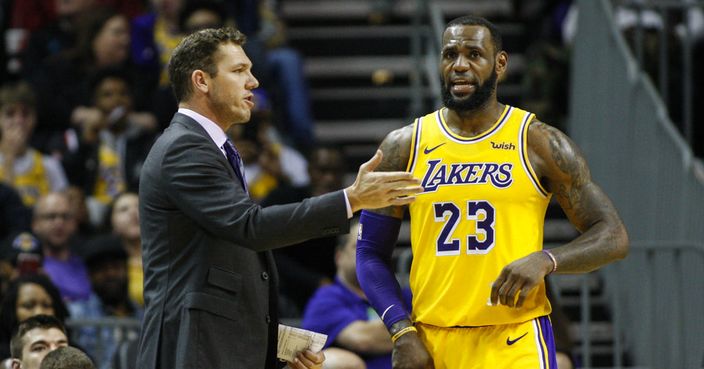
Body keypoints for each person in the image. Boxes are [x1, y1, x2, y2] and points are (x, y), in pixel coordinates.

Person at [136, 27, 421, 369]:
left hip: (212, 343)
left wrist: (269, 343)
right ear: (201, 81)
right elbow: (251, 227)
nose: (253, 82)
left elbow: (220, 267)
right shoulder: (184, 148)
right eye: (239, 70)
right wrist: (351, 199)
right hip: (189, 348)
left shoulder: (209, 148)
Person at [355, 15, 629, 369]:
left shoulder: (538, 142)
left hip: (515, 338)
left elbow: (613, 235)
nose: (459, 66)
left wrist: (546, 260)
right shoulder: (404, 146)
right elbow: (369, 253)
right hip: (432, 339)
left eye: (473, 55)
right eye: (450, 55)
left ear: (500, 64)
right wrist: (401, 332)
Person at [302, 220, 411, 369]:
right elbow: (364, 339)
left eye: (376, 248)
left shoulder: (401, 294)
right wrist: (414, 328)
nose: (368, 254)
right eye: (358, 247)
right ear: (339, 257)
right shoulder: (326, 298)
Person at [0, 82, 69, 207]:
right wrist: (9, 159)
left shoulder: (49, 165)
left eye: (25, 114)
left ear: (34, 119)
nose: (19, 121)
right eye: (10, 114)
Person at [0, 275, 70, 360]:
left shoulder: (73, 353)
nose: (39, 312)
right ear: (11, 310)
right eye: (28, 306)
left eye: (46, 305)